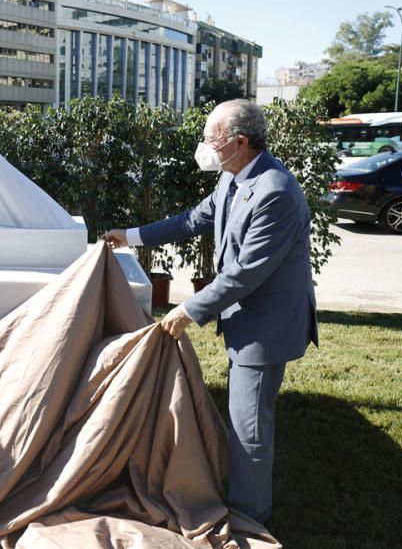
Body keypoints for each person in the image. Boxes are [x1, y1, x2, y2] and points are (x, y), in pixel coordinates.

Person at [103, 99, 317, 524]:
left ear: (240, 142)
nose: (205, 147)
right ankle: (241, 498)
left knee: (249, 429)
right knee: (244, 420)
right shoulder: (233, 178)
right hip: (246, 319)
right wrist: (130, 236)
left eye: (210, 139)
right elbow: (191, 220)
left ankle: (248, 519)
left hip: (265, 327)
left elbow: (244, 274)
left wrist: (186, 310)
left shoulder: (275, 192)